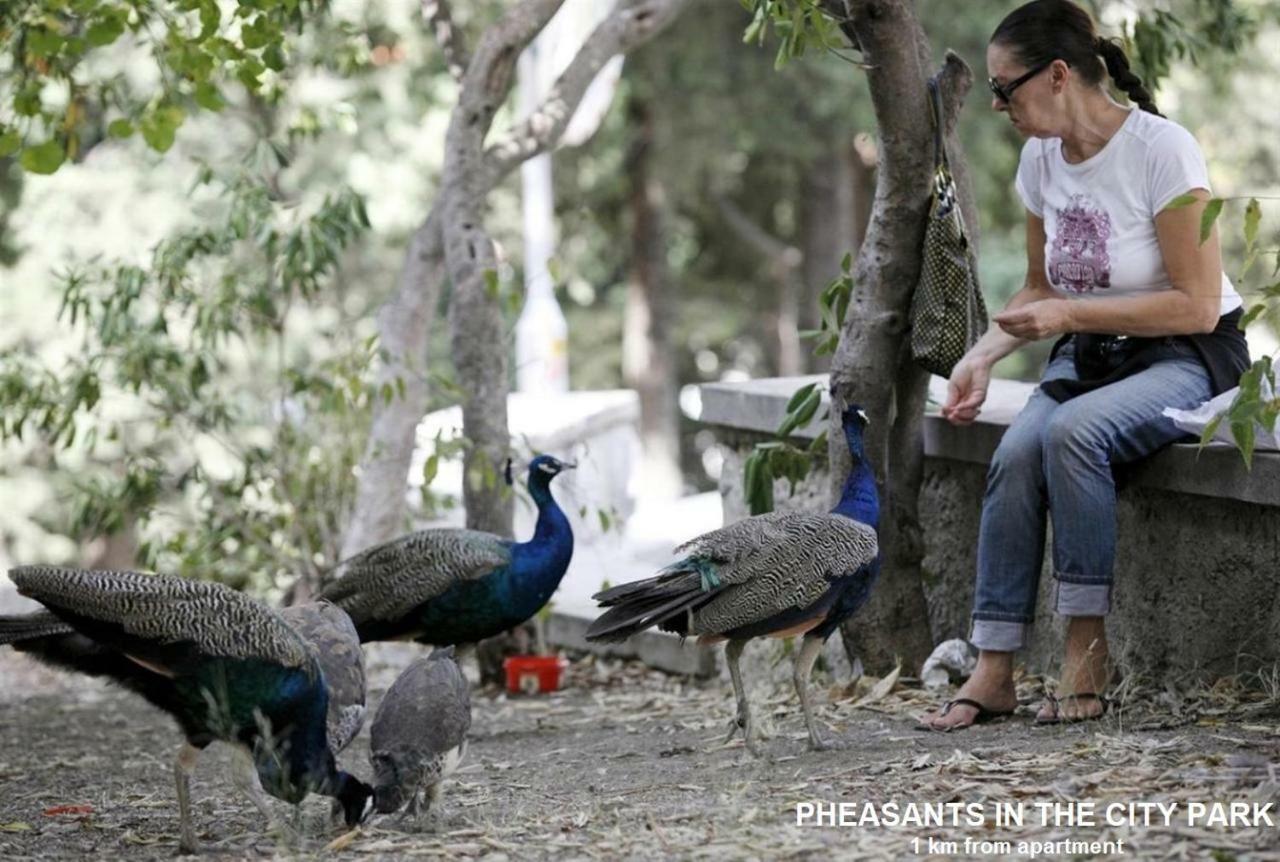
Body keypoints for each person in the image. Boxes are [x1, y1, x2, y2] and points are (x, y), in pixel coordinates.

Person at [920, 0, 1249, 731]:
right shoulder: (1040, 158)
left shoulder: (1162, 151)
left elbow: (1195, 305)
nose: (998, 104)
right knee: (1017, 452)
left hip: (1188, 353)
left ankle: (1084, 653)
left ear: (1059, 74)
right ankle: (995, 666)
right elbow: (1043, 288)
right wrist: (982, 356)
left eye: (1006, 88)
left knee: (1074, 435)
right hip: (1094, 357)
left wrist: (1068, 317)